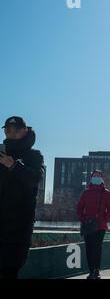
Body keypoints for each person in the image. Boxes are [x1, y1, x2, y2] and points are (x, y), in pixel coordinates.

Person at [0, 116, 44, 279]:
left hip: (18, 225)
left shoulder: (34, 156)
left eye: (16, 131)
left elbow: (34, 179)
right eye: (7, 130)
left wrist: (13, 166)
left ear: (25, 131)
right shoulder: (1, 153)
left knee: (10, 269)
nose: (11, 134)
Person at [77, 170, 110, 279]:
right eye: (95, 176)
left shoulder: (106, 193)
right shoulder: (86, 192)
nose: (97, 177)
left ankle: (96, 271)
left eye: (99, 176)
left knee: (97, 248)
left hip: (100, 226)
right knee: (89, 248)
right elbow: (79, 207)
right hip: (88, 225)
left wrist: (104, 219)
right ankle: (91, 271)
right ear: (91, 178)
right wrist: (83, 219)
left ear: (102, 178)